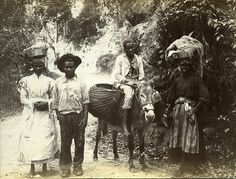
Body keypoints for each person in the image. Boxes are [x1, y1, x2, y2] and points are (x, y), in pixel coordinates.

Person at [164, 50, 210, 176]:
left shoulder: (196, 80)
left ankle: (187, 167)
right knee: (179, 139)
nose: (183, 68)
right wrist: (168, 110)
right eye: (181, 65)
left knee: (189, 139)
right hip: (178, 112)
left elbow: (205, 97)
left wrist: (194, 109)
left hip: (189, 112)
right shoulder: (177, 80)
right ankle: (183, 166)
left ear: (191, 67)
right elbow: (171, 97)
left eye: (186, 66)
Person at [18, 46, 59, 177]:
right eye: (35, 66)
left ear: (44, 66)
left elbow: (54, 97)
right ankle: (32, 168)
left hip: (44, 112)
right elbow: (22, 98)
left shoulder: (49, 81)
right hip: (31, 113)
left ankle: (45, 166)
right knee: (31, 139)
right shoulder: (25, 81)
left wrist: (46, 103)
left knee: (44, 138)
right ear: (32, 66)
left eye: (40, 65)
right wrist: (32, 103)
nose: (38, 68)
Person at [52, 53, 89, 178]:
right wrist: (58, 115)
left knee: (79, 142)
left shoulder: (81, 82)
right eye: (66, 67)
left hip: (78, 115)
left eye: (71, 67)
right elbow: (55, 100)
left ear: (75, 67)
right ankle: (65, 167)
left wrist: (85, 118)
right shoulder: (58, 83)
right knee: (65, 143)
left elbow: (85, 102)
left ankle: (78, 166)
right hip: (64, 116)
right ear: (63, 68)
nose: (69, 69)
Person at [113, 38, 145, 135]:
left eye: (132, 48)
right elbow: (117, 75)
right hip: (124, 83)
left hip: (137, 82)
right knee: (129, 95)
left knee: (148, 92)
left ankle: (152, 118)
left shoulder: (138, 59)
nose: (130, 50)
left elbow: (141, 73)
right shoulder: (120, 59)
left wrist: (140, 82)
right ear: (125, 49)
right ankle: (124, 124)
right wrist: (127, 81)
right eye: (128, 48)